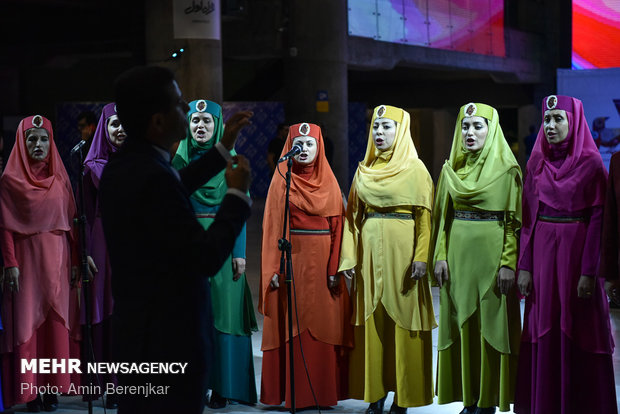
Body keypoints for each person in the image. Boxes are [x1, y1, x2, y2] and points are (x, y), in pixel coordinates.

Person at [98, 66, 253, 414]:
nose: (188, 111)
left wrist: (223, 148)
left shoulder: (129, 165)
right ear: (158, 121)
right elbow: (205, 258)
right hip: (168, 344)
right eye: (180, 104)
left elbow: (175, 182)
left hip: (140, 336)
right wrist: (237, 197)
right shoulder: (152, 176)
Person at [515, 95, 617, 414]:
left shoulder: (590, 165)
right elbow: (528, 220)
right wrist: (525, 267)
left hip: (576, 255)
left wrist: (589, 271)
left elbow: (599, 220)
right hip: (544, 256)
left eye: (558, 119)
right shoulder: (536, 164)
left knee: (580, 325)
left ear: (574, 122)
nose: (551, 125)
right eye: (547, 120)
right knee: (544, 323)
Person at [340, 105, 436, 414]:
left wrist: (422, 257)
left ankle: (404, 397)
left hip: (404, 257)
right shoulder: (364, 170)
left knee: (404, 324)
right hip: (369, 258)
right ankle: (375, 394)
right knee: (373, 325)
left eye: (387, 127)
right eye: (375, 127)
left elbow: (424, 220)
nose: (379, 133)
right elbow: (352, 219)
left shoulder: (416, 170)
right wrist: (349, 259)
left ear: (401, 131)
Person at [431, 103, 522, 414]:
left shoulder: (507, 171)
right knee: (461, 325)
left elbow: (512, 223)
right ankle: (468, 400)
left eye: (477, 126)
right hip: (457, 261)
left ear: (491, 129)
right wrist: (440, 256)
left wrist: (509, 263)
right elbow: (441, 220)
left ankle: (487, 401)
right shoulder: (450, 170)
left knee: (490, 326)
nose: (470, 132)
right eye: (465, 127)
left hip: (492, 260)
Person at [172, 99, 258, 408]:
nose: (200, 126)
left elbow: (240, 204)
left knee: (225, 317)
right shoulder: (179, 163)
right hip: (188, 247)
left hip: (224, 246)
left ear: (218, 126)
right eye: (195, 121)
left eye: (207, 121)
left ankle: (225, 386)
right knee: (191, 318)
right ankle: (196, 384)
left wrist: (239, 253)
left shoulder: (233, 162)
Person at [260, 122, 352, 409]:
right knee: (293, 323)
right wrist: (274, 268)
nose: (304, 149)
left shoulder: (330, 182)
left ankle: (323, 393)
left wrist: (335, 267)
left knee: (325, 324)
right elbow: (273, 225)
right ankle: (295, 394)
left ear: (319, 147)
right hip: (293, 261)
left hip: (324, 259)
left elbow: (339, 227)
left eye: (310, 144)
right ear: (289, 147)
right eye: (299, 144)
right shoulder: (281, 178)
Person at [0, 115, 84, 411]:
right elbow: (5, 227)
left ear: (52, 142)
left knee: (55, 324)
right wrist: (10, 263)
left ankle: (52, 389)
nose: (38, 144)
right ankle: (30, 391)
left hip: (58, 263)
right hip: (26, 262)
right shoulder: (9, 181)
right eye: (31, 139)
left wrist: (75, 261)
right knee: (27, 325)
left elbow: (72, 226)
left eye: (44, 138)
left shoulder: (60, 180)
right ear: (21, 145)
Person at [81, 102, 125, 408]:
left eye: (125, 123)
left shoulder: (142, 163)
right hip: (100, 243)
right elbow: (81, 214)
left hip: (132, 245)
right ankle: (103, 384)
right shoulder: (90, 168)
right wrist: (84, 252)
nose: (120, 129)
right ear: (103, 129)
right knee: (103, 311)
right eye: (113, 124)